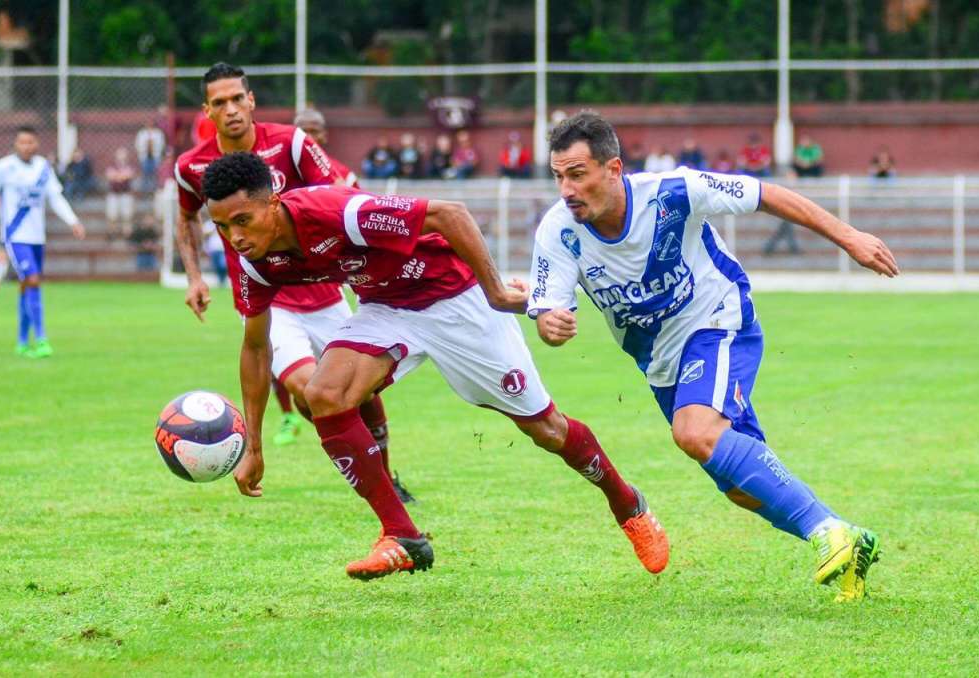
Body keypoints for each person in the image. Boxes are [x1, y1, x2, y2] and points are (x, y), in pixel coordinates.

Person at [202, 151, 670, 581]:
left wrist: (496, 293)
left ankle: (627, 502)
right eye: (223, 227)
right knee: (324, 393)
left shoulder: (336, 213)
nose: (236, 237)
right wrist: (255, 446)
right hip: (387, 308)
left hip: (456, 300)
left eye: (243, 220)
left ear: (273, 203)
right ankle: (403, 536)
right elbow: (256, 348)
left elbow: (451, 214)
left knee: (547, 430)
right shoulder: (256, 263)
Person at [528, 111, 900, 602]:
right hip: (659, 360)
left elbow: (766, 195)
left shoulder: (673, 191)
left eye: (577, 174)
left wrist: (849, 237)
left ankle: (825, 533)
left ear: (613, 169)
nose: (567, 189)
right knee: (741, 487)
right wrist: (550, 324)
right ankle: (844, 534)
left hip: (718, 317)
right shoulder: (558, 232)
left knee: (695, 432)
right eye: (558, 176)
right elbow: (550, 312)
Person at [173, 63, 410, 500]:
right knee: (309, 388)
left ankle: (386, 475)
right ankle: (367, 475)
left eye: (237, 99)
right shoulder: (191, 167)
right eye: (219, 102)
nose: (231, 109)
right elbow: (186, 217)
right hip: (267, 298)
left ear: (252, 100)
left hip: (325, 288)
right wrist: (193, 277)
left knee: (360, 389)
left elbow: (339, 200)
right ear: (207, 111)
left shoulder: (291, 143)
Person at [0, 126, 86, 357]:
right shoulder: (3, 168)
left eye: (31, 142)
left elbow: (55, 197)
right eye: (22, 142)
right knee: (33, 280)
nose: (27, 146)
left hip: (37, 237)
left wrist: (72, 220)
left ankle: (22, 341)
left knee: (27, 285)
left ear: (37, 144)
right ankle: (42, 338)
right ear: (15, 144)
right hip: (15, 236)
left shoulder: (43, 168)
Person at [104, 146, 136, 240]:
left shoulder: (130, 166)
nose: (121, 157)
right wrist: (121, 176)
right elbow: (110, 176)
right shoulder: (111, 165)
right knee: (112, 215)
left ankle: (127, 234)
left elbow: (129, 175)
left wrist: (118, 176)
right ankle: (112, 233)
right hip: (113, 194)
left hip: (126, 194)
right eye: (120, 155)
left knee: (127, 216)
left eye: (123, 155)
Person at [135, 118, 167, 193]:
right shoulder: (142, 133)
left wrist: (154, 147)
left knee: (156, 174)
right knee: (145, 174)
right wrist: (145, 147)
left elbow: (162, 145)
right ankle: (145, 191)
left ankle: (155, 190)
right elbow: (137, 145)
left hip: (155, 156)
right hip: (145, 156)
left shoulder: (158, 133)